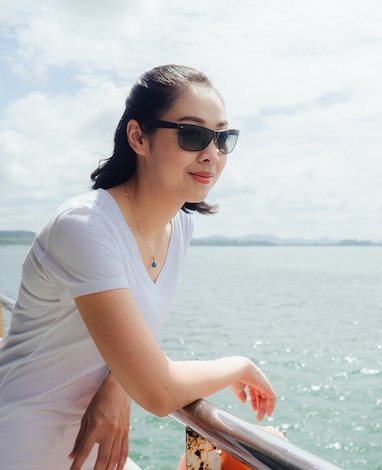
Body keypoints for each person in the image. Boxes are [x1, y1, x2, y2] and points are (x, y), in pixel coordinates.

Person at [0, 64, 276, 469]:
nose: (211, 153)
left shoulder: (178, 227)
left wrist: (118, 384)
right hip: (22, 444)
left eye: (223, 138)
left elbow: (133, 342)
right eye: (192, 134)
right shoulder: (86, 227)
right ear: (138, 137)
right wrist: (240, 364)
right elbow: (159, 392)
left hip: (96, 451)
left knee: (250, 452)